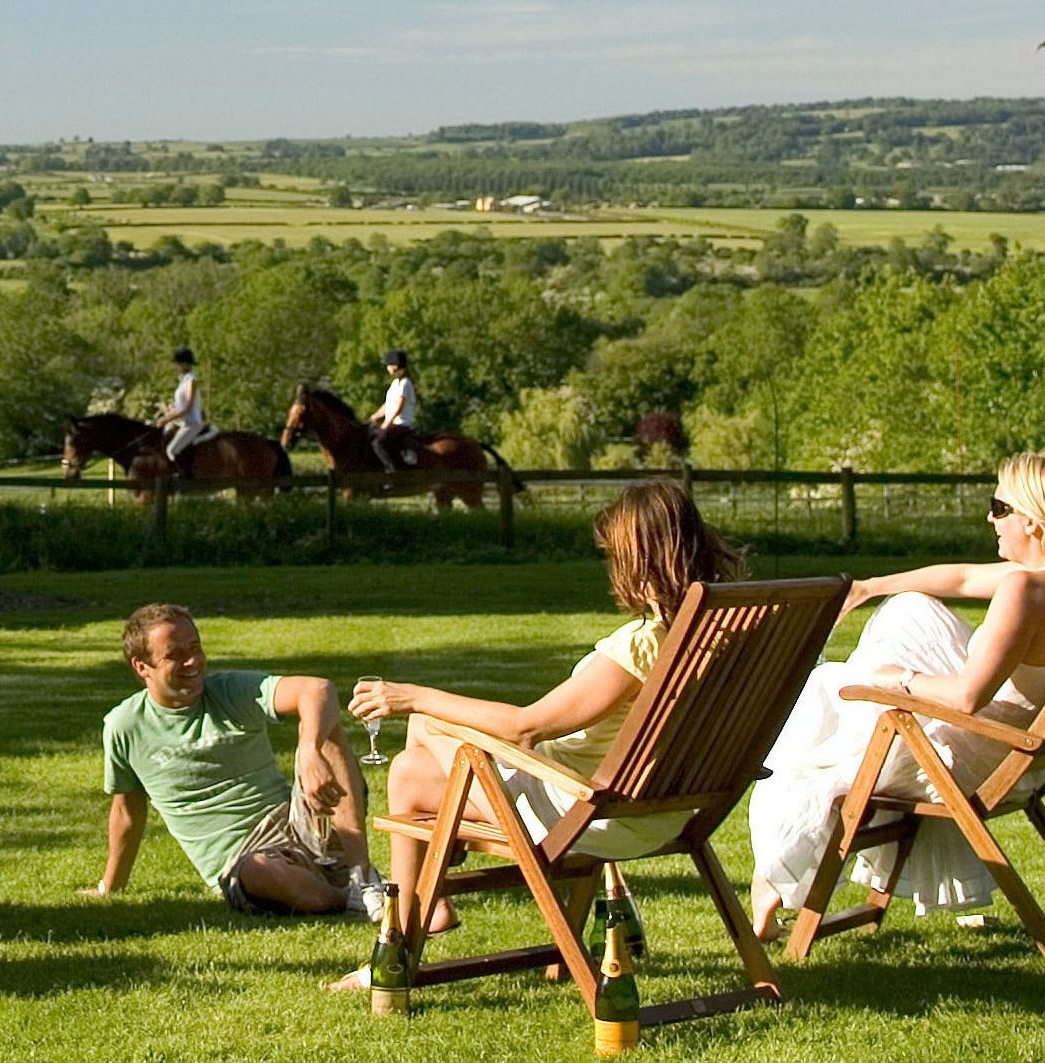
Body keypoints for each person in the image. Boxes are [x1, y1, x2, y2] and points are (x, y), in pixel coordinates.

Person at [347, 481, 743, 936]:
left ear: (636, 559)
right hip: (671, 810)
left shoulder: (644, 647)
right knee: (409, 772)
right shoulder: (721, 637)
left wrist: (412, 696)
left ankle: (401, 932)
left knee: (424, 724)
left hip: (588, 814)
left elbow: (524, 729)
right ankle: (426, 905)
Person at [746, 449, 1045, 939]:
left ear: (1030, 519)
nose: (991, 517)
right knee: (910, 610)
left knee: (827, 696)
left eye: (999, 507)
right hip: (1021, 746)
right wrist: (871, 587)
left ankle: (779, 866)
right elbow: (959, 578)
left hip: (978, 754)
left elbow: (966, 699)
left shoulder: (1025, 592)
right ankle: (803, 808)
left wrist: (898, 679)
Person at [85, 603, 384, 918]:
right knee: (260, 870)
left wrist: (309, 748)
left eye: (196, 648)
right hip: (247, 860)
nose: (193, 662)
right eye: (174, 655)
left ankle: (362, 879)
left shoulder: (230, 690)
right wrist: (111, 885)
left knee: (326, 726)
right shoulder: (125, 726)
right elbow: (127, 810)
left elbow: (317, 688)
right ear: (141, 667)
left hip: (300, 821)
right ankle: (354, 899)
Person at [151, 347, 212, 467]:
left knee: (171, 450)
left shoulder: (191, 381)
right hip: (184, 422)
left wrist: (168, 419)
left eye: (177, 364)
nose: (176, 367)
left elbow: (187, 407)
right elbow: (179, 406)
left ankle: (182, 478)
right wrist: (164, 417)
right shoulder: (183, 381)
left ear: (184, 364)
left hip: (193, 423)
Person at [367, 349, 417, 473]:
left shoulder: (406, 383)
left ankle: (392, 471)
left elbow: (398, 406)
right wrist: (374, 417)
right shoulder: (395, 384)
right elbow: (387, 405)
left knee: (377, 442)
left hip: (402, 424)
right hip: (393, 423)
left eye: (389, 365)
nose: (387, 368)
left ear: (396, 366)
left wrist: (386, 424)